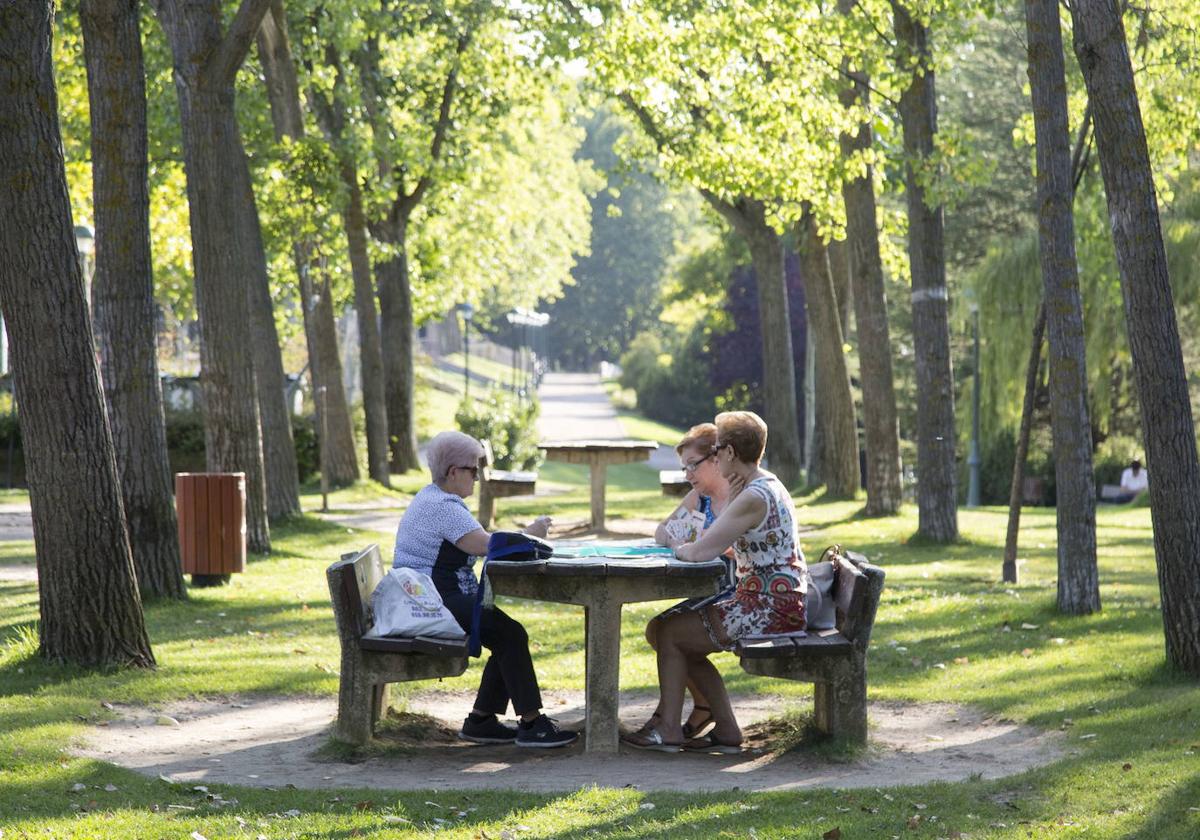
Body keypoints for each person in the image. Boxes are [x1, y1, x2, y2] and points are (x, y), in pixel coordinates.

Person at [623, 411, 807, 753]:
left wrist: (679, 546)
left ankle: (669, 729)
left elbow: (700, 552)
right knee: (666, 630)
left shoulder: (754, 495)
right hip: (765, 600)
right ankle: (724, 729)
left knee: (671, 634)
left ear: (731, 453)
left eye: (718, 448)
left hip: (770, 608)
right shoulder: (757, 486)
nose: (716, 453)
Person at [392, 430, 577, 748]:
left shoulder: (433, 497)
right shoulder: (443, 507)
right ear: (453, 472)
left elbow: (484, 542)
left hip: (426, 596)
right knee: (509, 634)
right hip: (433, 601)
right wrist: (531, 534)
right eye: (473, 470)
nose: (477, 478)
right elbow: (488, 545)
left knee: (506, 632)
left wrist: (524, 536)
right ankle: (532, 724)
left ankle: (482, 720)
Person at [635, 424, 736, 741]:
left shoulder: (738, 497)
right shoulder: (702, 498)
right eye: (684, 467)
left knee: (668, 632)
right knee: (658, 629)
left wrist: (689, 544)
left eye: (694, 464)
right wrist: (677, 539)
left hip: (733, 592)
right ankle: (713, 716)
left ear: (717, 458)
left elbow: (716, 549)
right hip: (711, 589)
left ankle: (668, 725)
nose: (688, 474)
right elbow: (663, 530)